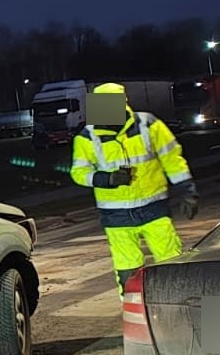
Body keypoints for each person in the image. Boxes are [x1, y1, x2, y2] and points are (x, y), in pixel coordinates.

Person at [69, 82, 197, 291]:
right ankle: (136, 314)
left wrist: (187, 189)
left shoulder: (148, 124)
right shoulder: (87, 136)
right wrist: (107, 179)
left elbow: (171, 158)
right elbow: (78, 172)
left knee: (170, 259)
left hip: (153, 208)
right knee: (128, 268)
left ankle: (180, 301)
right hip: (116, 214)